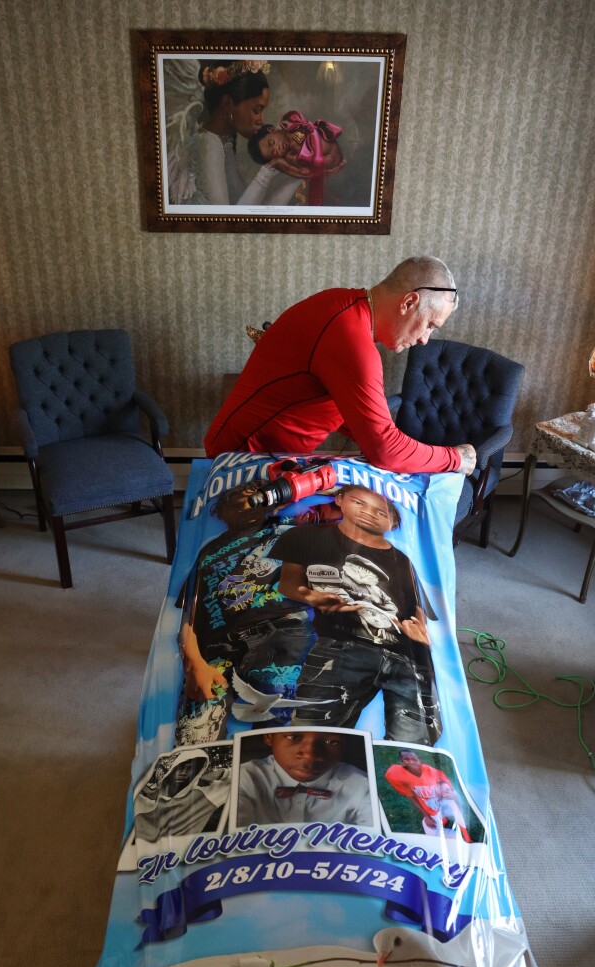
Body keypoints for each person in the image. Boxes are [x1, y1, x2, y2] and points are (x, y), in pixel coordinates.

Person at [204, 255, 478, 476]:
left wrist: (386, 437)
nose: (424, 340)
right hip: (242, 460)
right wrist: (455, 458)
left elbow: (354, 415)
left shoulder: (344, 304)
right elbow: (384, 449)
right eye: (430, 325)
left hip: (266, 455)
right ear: (408, 302)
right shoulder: (352, 341)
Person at [275, 485, 441, 744]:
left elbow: (419, 616)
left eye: (381, 512)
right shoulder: (304, 536)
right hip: (343, 650)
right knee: (312, 736)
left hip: (404, 657)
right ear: (339, 499)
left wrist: (422, 642)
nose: (369, 513)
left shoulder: (403, 560)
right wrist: (312, 596)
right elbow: (287, 583)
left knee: (413, 746)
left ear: (393, 523)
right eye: (359, 502)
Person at [175, 484, 317, 744]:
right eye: (236, 504)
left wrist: (292, 490)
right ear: (223, 513)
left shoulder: (291, 526)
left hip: (280, 631)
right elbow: (189, 619)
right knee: (192, 736)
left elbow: (343, 500)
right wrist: (193, 663)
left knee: (274, 736)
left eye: (253, 499)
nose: (246, 506)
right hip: (217, 647)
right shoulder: (207, 553)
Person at [170, 59, 304, 207]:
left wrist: (295, 176)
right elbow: (234, 219)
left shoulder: (224, 143)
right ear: (227, 103)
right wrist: (270, 168)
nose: (261, 120)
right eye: (256, 110)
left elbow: (248, 209)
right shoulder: (208, 145)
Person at [235, 731, 374, 827]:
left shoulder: (362, 785)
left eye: (331, 741)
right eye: (294, 737)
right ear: (269, 737)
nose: (310, 754)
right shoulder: (244, 778)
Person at [134, 748, 230, 846]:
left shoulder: (203, 795)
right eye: (181, 767)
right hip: (150, 856)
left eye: (190, 768)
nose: (184, 772)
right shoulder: (145, 801)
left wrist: (221, 773)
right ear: (173, 767)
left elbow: (241, 773)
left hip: (187, 855)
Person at [247, 112, 345, 204]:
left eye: (272, 142)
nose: (278, 148)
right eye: (274, 153)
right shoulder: (290, 155)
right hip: (331, 160)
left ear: (272, 129)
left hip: (333, 155)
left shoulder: (293, 130)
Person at [383, 749, 472, 840]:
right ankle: (445, 824)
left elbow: (451, 790)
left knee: (457, 815)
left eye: (414, 759)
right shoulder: (399, 774)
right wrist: (426, 816)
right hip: (430, 809)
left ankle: (467, 838)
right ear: (402, 761)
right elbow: (411, 796)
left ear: (420, 760)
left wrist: (453, 794)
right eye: (406, 759)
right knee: (432, 835)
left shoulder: (431, 772)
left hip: (444, 803)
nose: (411, 762)